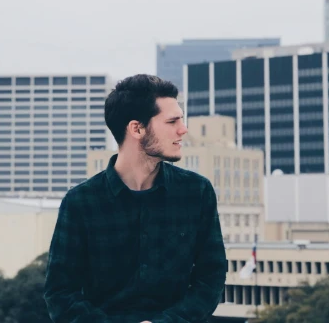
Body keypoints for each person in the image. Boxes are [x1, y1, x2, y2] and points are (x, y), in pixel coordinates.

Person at [44, 74, 227, 323]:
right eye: (172, 121)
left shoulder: (197, 192)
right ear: (136, 128)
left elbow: (211, 278)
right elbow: (60, 293)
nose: (183, 129)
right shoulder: (80, 202)